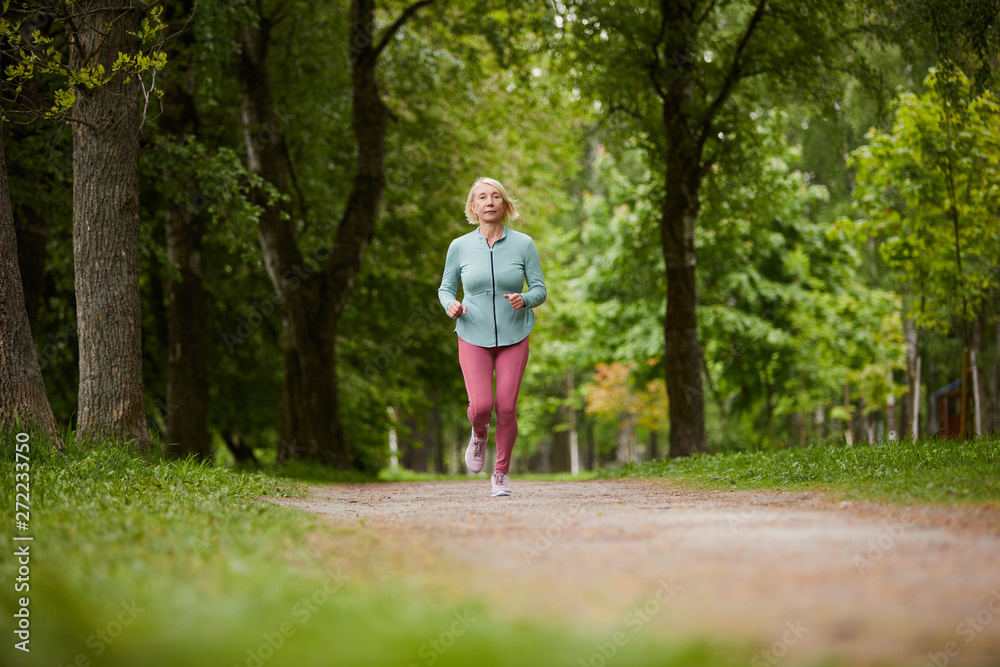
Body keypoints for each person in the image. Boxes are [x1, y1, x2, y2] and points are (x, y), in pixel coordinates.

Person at [437, 177, 546, 497]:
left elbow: (540, 289)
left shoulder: (524, 244)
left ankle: (500, 473)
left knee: (507, 407)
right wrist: (451, 305)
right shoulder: (459, 246)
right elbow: (445, 288)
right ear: (473, 207)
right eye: (482, 197)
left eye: (496, 196)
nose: (489, 201)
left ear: (504, 204)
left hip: (515, 333)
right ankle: (479, 432)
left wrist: (525, 299)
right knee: (482, 405)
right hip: (472, 333)